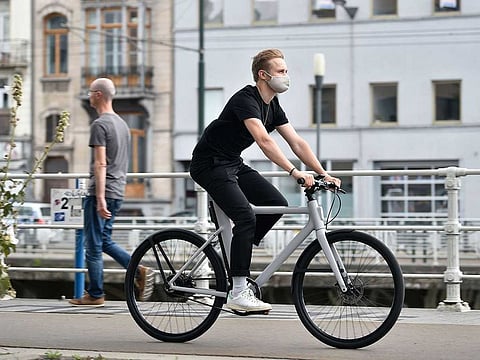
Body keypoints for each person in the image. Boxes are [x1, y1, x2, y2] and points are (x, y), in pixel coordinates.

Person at [189, 49, 341, 312]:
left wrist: (322, 173)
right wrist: (295, 173)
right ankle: (238, 291)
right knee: (246, 217)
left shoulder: (273, 105)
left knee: (275, 203)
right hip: (208, 164)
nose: (286, 76)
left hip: (232, 162)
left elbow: (296, 142)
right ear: (263, 74)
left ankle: (237, 250)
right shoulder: (245, 99)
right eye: (281, 71)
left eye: (286, 71)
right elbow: (264, 140)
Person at [69, 78, 152, 306]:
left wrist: (99, 198)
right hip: (118, 190)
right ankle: (138, 269)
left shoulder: (99, 124)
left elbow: (100, 163)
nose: (88, 96)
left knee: (93, 245)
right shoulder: (122, 124)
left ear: (97, 94)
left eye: (90, 92)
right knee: (104, 240)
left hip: (103, 191)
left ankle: (95, 294)